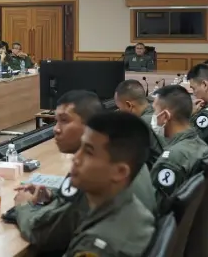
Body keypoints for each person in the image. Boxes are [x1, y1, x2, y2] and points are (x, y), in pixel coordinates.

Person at [14, 91, 156, 255]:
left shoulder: (96, 243)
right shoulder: (129, 163)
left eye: (88, 151)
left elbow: (42, 231)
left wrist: (23, 205)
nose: (76, 159)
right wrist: (53, 195)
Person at [63, 111, 155, 257]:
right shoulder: (135, 209)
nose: (75, 158)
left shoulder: (97, 246)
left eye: (88, 152)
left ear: (120, 172)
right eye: (80, 147)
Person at [150, 85, 208, 212]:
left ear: (165, 116)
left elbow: (154, 208)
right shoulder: (200, 143)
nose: (153, 116)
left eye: (154, 111)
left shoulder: (171, 160)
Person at [114, 79, 165, 169]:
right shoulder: (160, 112)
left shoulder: (140, 126)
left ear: (129, 105)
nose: (119, 112)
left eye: (120, 108)